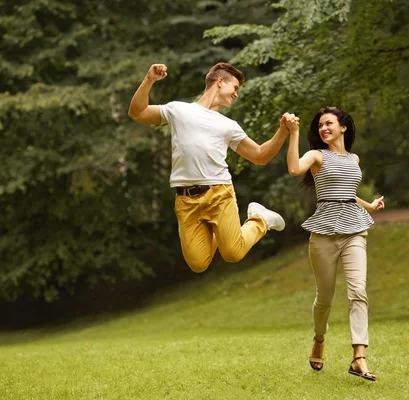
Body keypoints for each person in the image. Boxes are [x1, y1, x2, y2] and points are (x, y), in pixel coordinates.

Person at [128, 62, 295, 273]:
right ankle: (221, 230)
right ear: (219, 82)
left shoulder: (228, 126)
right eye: (235, 88)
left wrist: (282, 132)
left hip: (219, 193)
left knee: (233, 253)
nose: (236, 94)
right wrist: (149, 79)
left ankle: (260, 219)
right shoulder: (179, 110)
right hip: (186, 200)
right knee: (198, 264)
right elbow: (137, 112)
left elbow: (260, 156)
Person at [286, 106, 385, 381]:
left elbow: (348, 194)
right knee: (325, 297)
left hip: (354, 229)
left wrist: (371, 205)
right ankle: (319, 338)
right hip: (324, 232)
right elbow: (294, 168)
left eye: (328, 123)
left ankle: (359, 357)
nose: (323, 128)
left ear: (343, 127)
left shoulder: (354, 158)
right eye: (319, 125)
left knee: (358, 291)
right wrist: (294, 133)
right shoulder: (317, 156)